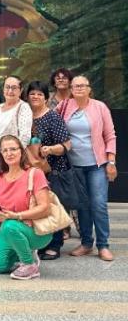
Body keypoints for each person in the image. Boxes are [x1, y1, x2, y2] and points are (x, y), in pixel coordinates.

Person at [57, 75, 117, 262]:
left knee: (98, 205)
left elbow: (110, 135)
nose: (79, 89)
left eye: (83, 85)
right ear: (71, 89)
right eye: (75, 86)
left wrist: (111, 162)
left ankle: (103, 245)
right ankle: (86, 243)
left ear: (89, 89)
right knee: (82, 206)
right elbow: (50, 121)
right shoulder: (65, 106)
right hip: (74, 166)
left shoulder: (100, 107)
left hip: (97, 165)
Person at [0, 135, 53, 280]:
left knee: (10, 225)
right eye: (5, 151)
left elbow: (45, 208)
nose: (9, 153)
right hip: (8, 227)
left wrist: (16, 216)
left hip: (36, 230)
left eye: (13, 149)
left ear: (22, 151)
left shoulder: (35, 173)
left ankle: (30, 265)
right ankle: (21, 250)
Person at [26, 80, 72, 260]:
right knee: (36, 206)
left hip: (53, 170)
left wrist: (50, 149)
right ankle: (40, 242)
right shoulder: (24, 116)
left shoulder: (52, 117)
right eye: (32, 93)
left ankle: (55, 244)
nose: (35, 97)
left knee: (52, 206)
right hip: (31, 171)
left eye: (39, 94)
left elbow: (67, 144)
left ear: (45, 97)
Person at [0, 76, 32, 173]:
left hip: (7, 158)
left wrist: (12, 155)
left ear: (21, 90)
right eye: (7, 87)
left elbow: (25, 137)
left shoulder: (23, 107)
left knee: (8, 187)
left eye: (14, 88)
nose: (10, 91)